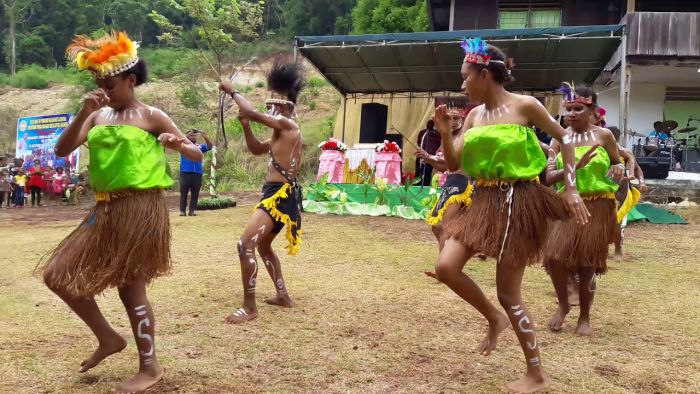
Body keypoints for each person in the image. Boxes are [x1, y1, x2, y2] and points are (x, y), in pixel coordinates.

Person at [37, 32, 203, 394]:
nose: (103, 90)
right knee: (56, 273)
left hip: (140, 209)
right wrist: (83, 111)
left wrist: (178, 144)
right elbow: (62, 150)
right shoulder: (96, 115)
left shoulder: (151, 115)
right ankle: (108, 338)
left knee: (131, 288)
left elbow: (196, 155)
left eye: (109, 84)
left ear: (131, 80)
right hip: (104, 207)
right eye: (98, 84)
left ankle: (150, 366)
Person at [434, 38, 589, 394]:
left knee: (509, 293)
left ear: (484, 74)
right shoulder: (473, 115)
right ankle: (493, 318)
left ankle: (536, 373)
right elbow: (455, 164)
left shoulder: (525, 105)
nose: (462, 85)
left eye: (465, 77)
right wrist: (445, 134)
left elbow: (564, 137)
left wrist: (571, 188)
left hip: (517, 203)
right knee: (445, 268)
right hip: (483, 201)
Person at [218, 58, 305, 324]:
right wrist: (245, 127)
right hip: (279, 194)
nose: (270, 106)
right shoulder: (281, 134)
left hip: (279, 195)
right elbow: (256, 149)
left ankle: (250, 307)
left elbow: (254, 113)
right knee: (264, 247)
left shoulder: (288, 126)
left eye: (274, 102)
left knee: (245, 245)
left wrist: (232, 91)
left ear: (284, 105)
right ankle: (282, 296)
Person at [543, 83, 624, 338]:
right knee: (555, 258)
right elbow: (548, 178)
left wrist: (619, 170)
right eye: (568, 109)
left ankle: (585, 316)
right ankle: (565, 304)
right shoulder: (558, 139)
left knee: (587, 263)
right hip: (566, 204)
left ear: (592, 111)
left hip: (597, 205)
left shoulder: (604, 136)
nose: (572, 113)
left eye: (578, 108)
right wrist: (574, 166)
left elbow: (616, 163)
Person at [416, 107, 474, 278]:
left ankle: (444, 270)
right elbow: (444, 166)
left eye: (457, 118)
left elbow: (454, 163)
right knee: (436, 226)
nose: (454, 121)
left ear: (463, 120)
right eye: (451, 118)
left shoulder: (466, 137)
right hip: (451, 182)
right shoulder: (447, 138)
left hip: (463, 184)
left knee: (444, 227)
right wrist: (428, 158)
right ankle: (447, 264)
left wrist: (429, 156)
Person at [609, 126, 646, 261]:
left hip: (621, 189)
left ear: (615, 137)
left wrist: (641, 182)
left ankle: (618, 250)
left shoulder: (624, 152)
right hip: (603, 188)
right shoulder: (600, 150)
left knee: (616, 220)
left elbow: (637, 169)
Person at [179, 129, 213, 216]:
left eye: (194, 135)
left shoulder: (200, 147)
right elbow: (180, 139)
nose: (193, 137)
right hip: (185, 171)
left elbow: (210, 147)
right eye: (191, 135)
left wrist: (206, 138)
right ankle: (182, 211)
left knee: (195, 193)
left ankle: (192, 211)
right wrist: (187, 135)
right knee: (184, 192)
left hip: (197, 173)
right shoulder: (183, 146)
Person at [415, 119, 441, 186]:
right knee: (426, 173)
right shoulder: (437, 134)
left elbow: (418, 142)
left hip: (424, 156)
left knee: (420, 172)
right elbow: (438, 144)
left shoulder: (422, 132)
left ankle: (419, 186)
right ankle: (424, 186)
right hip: (428, 156)